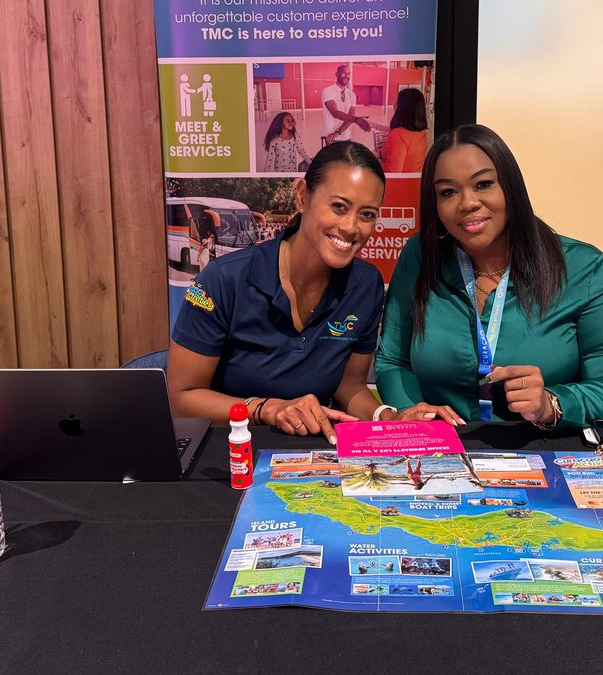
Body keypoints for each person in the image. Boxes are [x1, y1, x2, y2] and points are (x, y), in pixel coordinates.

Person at [375, 124, 603, 430]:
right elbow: (393, 361)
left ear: (510, 187)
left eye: (483, 184)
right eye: (448, 192)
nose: (467, 203)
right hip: (442, 458)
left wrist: (553, 403)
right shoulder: (421, 256)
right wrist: (410, 410)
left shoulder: (585, 269)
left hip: (547, 456)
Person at [168, 142, 393, 443]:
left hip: (314, 457)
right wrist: (266, 409)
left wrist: (389, 418)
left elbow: (349, 388)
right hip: (229, 456)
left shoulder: (366, 285)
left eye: (367, 214)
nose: (351, 227)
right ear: (302, 197)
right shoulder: (224, 279)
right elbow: (182, 399)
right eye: (339, 206)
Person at [380, 88, 429, 174]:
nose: (394, 104)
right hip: (415, 184)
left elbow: (394, 173)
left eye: (397, 101)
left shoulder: (398, 135)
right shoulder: (422, 133)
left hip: (399, 185)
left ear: (404, 107)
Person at [322, 65, 370, 145]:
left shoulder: (352, 95)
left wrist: (339, 131)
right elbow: (335, 113)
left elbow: (350, 116)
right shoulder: (327, 91)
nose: (347, 76)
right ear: (336, 74)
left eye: (349, 74)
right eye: (344, 73)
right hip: (330, 137)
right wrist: (356, 119)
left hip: (346, 138)